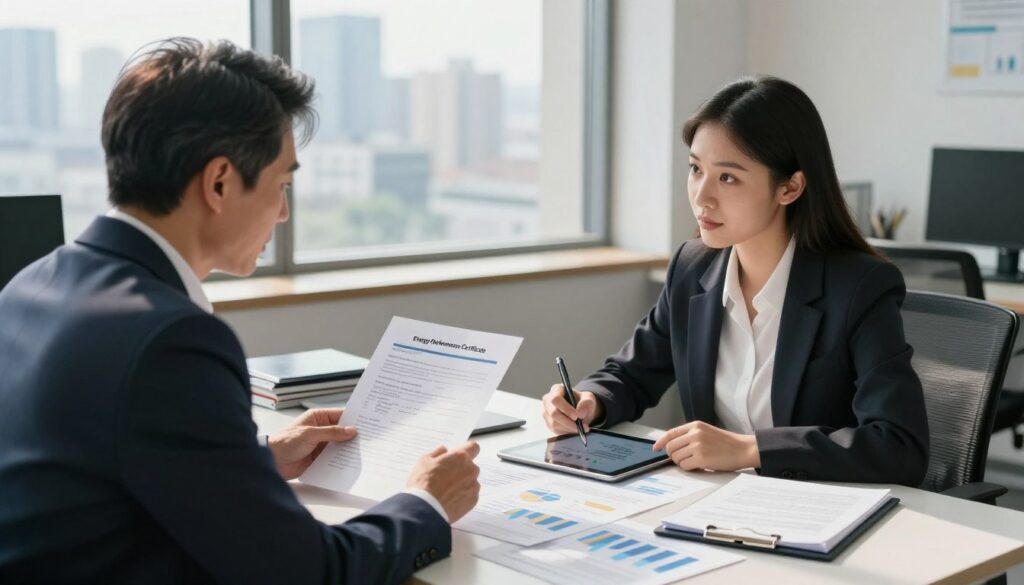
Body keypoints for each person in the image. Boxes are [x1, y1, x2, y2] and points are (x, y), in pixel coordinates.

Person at [0, 38, 480, 584]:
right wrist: (425, 503)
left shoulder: (30, 286)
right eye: (281, 183)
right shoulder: (168, 339)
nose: (282, 213)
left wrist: (260, 457)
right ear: (220, 182)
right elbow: (305, 572)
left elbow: (95, 468)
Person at [542, 76, 929, 487]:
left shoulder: (858, 287)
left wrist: (750, 450)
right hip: (717, 506)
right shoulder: (693, 269)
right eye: (695, 169)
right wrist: (589, 401)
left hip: (818, 511)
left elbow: (898, 446)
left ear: (790, 187)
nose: (701, 196)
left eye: (727, 177)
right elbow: (633, 373)